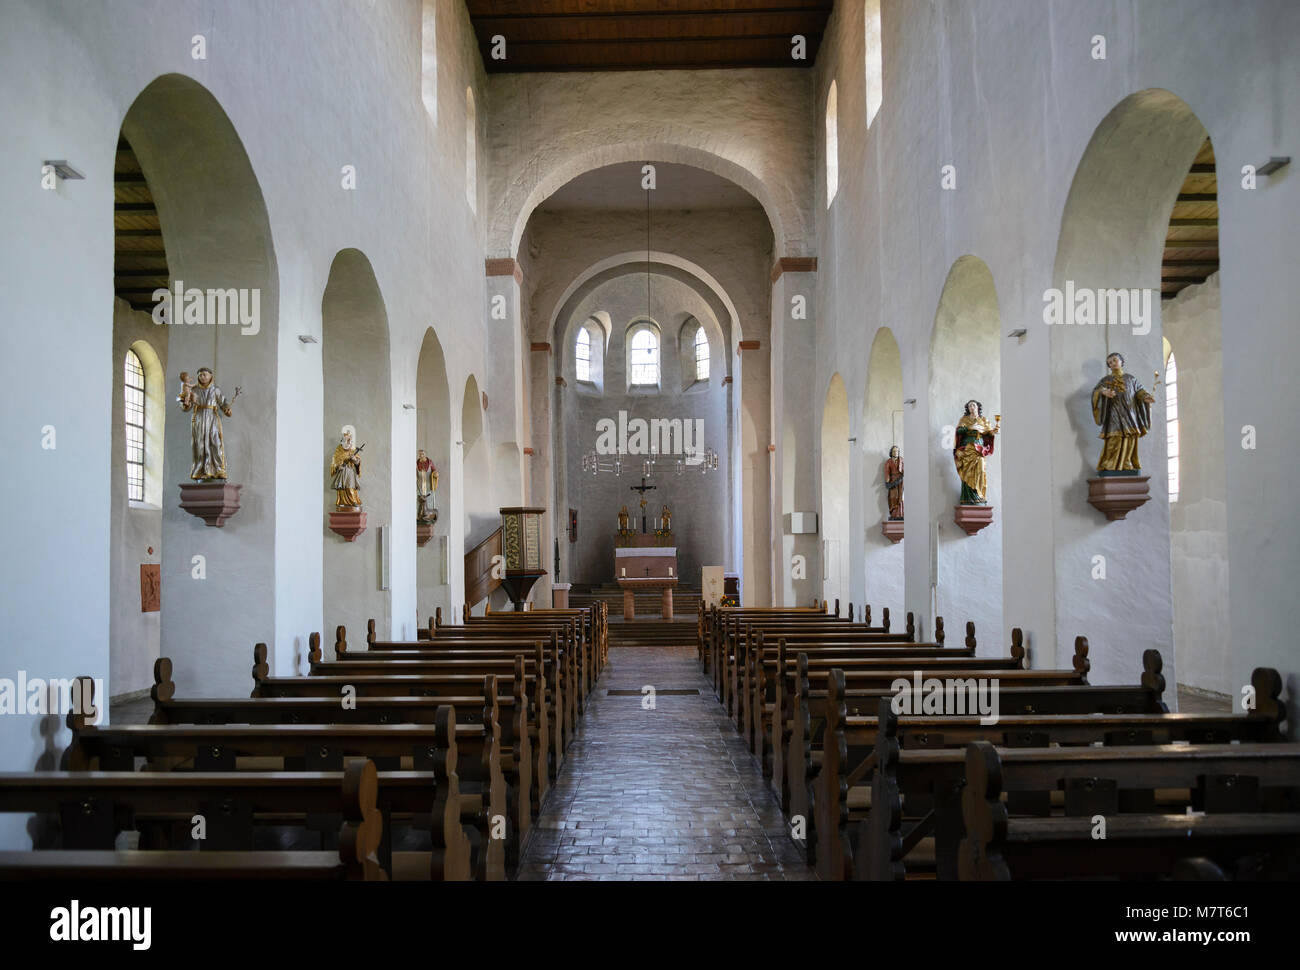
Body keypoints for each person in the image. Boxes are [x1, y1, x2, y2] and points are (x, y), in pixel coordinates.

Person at [1090, 352, 1155, 473]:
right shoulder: (1106, 380)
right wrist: (1103, 392)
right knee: (1114, 438)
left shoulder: (1131, 378)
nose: (1112, 363)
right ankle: (1109, 463)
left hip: (1130, 413)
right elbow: (1096, 391)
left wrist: (1145, 397)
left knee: (1130, 437)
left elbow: (1139, 391)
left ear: (1121, 361)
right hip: (1114, 414)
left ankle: (1127, 462)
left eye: (1114, 360)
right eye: (1109, 363)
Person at [177, 366, 237, 480]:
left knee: (215, 442)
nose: (202, 377)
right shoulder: (193, 389)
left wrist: (227, 409)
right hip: (198, 418)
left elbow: (223, 402)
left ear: (210, 376)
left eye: (205, 374)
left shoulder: (215, 390)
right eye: (200, 375)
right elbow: (186, 406)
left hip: (212, 418)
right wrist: (185, 404)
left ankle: (218, 469)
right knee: (199, 444)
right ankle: (200, 470)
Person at [953, 400, 999, 504]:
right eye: (969, 406)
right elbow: (958, 431)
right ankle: (968, 498)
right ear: (968, 409)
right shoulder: (964, 419)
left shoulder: (983, 420)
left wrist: (994, 431)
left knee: (981, 470)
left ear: (978, 407)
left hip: (979, 449)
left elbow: (989, 432)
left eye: (973, 405)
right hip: (967, 448)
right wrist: (969, 427)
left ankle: (980, 495)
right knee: (968, 473)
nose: (972, 407)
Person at [330, 430, 362, 510]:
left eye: (349, 441)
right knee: (342, 487)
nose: (348, 443)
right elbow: (335, 462)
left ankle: (353, 501)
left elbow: (358, 462)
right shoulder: (338, 450)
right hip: (342, 471)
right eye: (346, 440)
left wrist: (354, 459)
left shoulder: (353, 450)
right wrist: (338, 466)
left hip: (350, 471)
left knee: (350, 486)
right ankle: (341, 502)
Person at [416, 449, 438, 523]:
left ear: (425, 455)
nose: (421, 456)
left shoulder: (430, 462)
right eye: (420, 454)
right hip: (419, 485)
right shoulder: (417, 463)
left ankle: (430, 516)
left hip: (428, 485)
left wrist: (435, 474)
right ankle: (418, 516)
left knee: (429, 499)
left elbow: (434, 470)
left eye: (422, 454)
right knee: (419, 500)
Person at [885, 445, 904, 520]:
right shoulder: (888, 462)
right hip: (893, 481)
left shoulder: (902, 460)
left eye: (897, 451)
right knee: (893, 497)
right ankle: (894, 514)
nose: (896, 452)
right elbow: (887, 473)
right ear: (891, 452)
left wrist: (902, 478)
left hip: (901, 481)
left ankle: (901, 514)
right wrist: (887, 482)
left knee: (901, 497)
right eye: (894, 451)